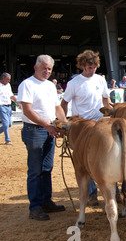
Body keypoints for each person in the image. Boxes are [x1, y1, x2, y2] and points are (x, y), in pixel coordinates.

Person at [17, 54, 68, 221]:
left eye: (49, 69)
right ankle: (35, 207)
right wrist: (47, 125)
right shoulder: (27, 84)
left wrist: (65, 124)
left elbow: (57, 108)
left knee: (47, 168)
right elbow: (27, 110)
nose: (47, 71)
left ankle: (46, 201)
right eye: (44, 68)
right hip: (34, 130)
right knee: (35, 170)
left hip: (48, 130)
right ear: (36, 67)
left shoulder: (50, 86)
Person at [60, 50, 112, 206]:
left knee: (105, 156)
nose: (92, 70)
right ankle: (92, 193)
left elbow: (105, 99)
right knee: (84, 160)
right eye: (89, 67)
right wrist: (63, 121)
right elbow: (64, 103)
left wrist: (110, 112)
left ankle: (112, 190)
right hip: (82, 126)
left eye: (94, 66)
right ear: (82, 65)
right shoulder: (74, 83)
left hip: (99, 123)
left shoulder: (100, 80)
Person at [0, 73, 17, 145]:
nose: (9, 81)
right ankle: (7, 140)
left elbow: (11, 95)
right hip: (1, 106)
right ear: (3, 79)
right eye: (8, 79)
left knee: (9, 124)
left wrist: (17, 102)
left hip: (8, 106)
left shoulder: (8, 85)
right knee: (6, 124)